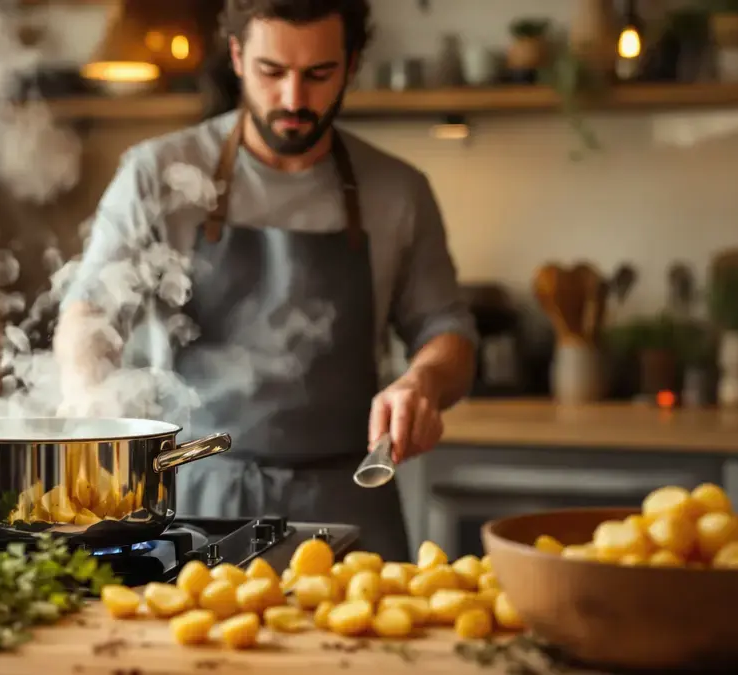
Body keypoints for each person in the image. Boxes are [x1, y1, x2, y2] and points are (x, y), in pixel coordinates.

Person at [55, 0, 476, 561]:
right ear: (236, 56)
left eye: (318, 74)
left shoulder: (398, 192)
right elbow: (90, 313)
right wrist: (88, 398)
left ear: (351, 66)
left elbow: (448, 329)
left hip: (346, 505)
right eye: (271, 72)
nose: (293, 100)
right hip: (190, 501)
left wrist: (422, 382)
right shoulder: (156, 173)